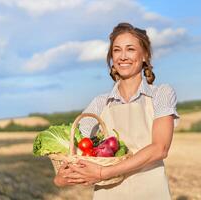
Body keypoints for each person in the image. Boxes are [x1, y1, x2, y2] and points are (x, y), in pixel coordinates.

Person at [53, 22, 179, 200]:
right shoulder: (100, 103)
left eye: (130, 49)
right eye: (117, 50)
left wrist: (104, 173)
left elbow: (160, 148)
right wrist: (63, 175)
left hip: (150, 193)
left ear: (145, 55)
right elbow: (78, 145)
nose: (123, 56)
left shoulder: (161, 94)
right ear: (112, 58)